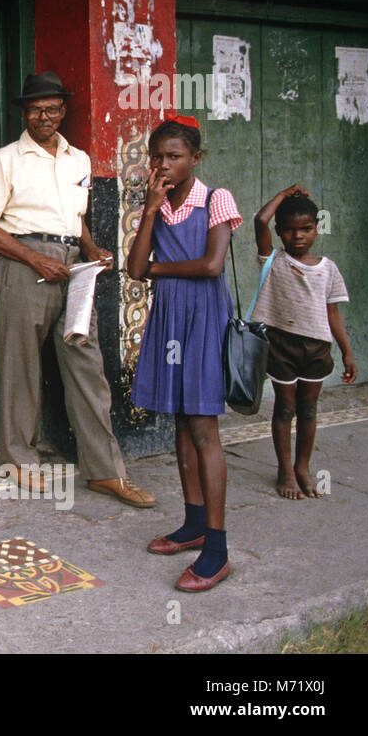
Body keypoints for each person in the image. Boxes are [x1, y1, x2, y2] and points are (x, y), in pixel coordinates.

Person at [0, 71, 155, 507]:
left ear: (63, 111)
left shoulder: (80, 160)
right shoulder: (6, 159)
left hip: (73, 269)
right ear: (24, 113)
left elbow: (77, 218)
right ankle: (18, 460)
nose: (44, 116)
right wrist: (35, 259)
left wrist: (92, 249)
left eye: (52, 108)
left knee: (87, 365)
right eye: (35, 109)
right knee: (22, 367)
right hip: (22, 266)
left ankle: (105, 472)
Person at [125, 115, 240, 592]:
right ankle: (193, 524)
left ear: (196, 157)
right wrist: (150, 210)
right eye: (157, 157)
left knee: (203, 429)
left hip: (203, 319)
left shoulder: (216, 199)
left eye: (174, 156)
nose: (164, 165)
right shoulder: (156, 200)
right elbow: (135, 268)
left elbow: (213, 266)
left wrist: (161, 268)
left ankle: (217, 549)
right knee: (177, 421)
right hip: (170, 319)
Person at [251, 185, 354, 499]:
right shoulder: (273, 261)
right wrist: (284, 194)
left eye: (307, 229)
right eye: (291, 230)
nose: (299, 236)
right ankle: (285, 470)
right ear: (280, 232)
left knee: (308, 409)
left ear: (317, 228)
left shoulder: (328, 269)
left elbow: (333, 312)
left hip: (317, 348)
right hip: (281, 345)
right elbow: (260, 220)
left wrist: (348, 352)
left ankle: (303, 468)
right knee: (285, 408)